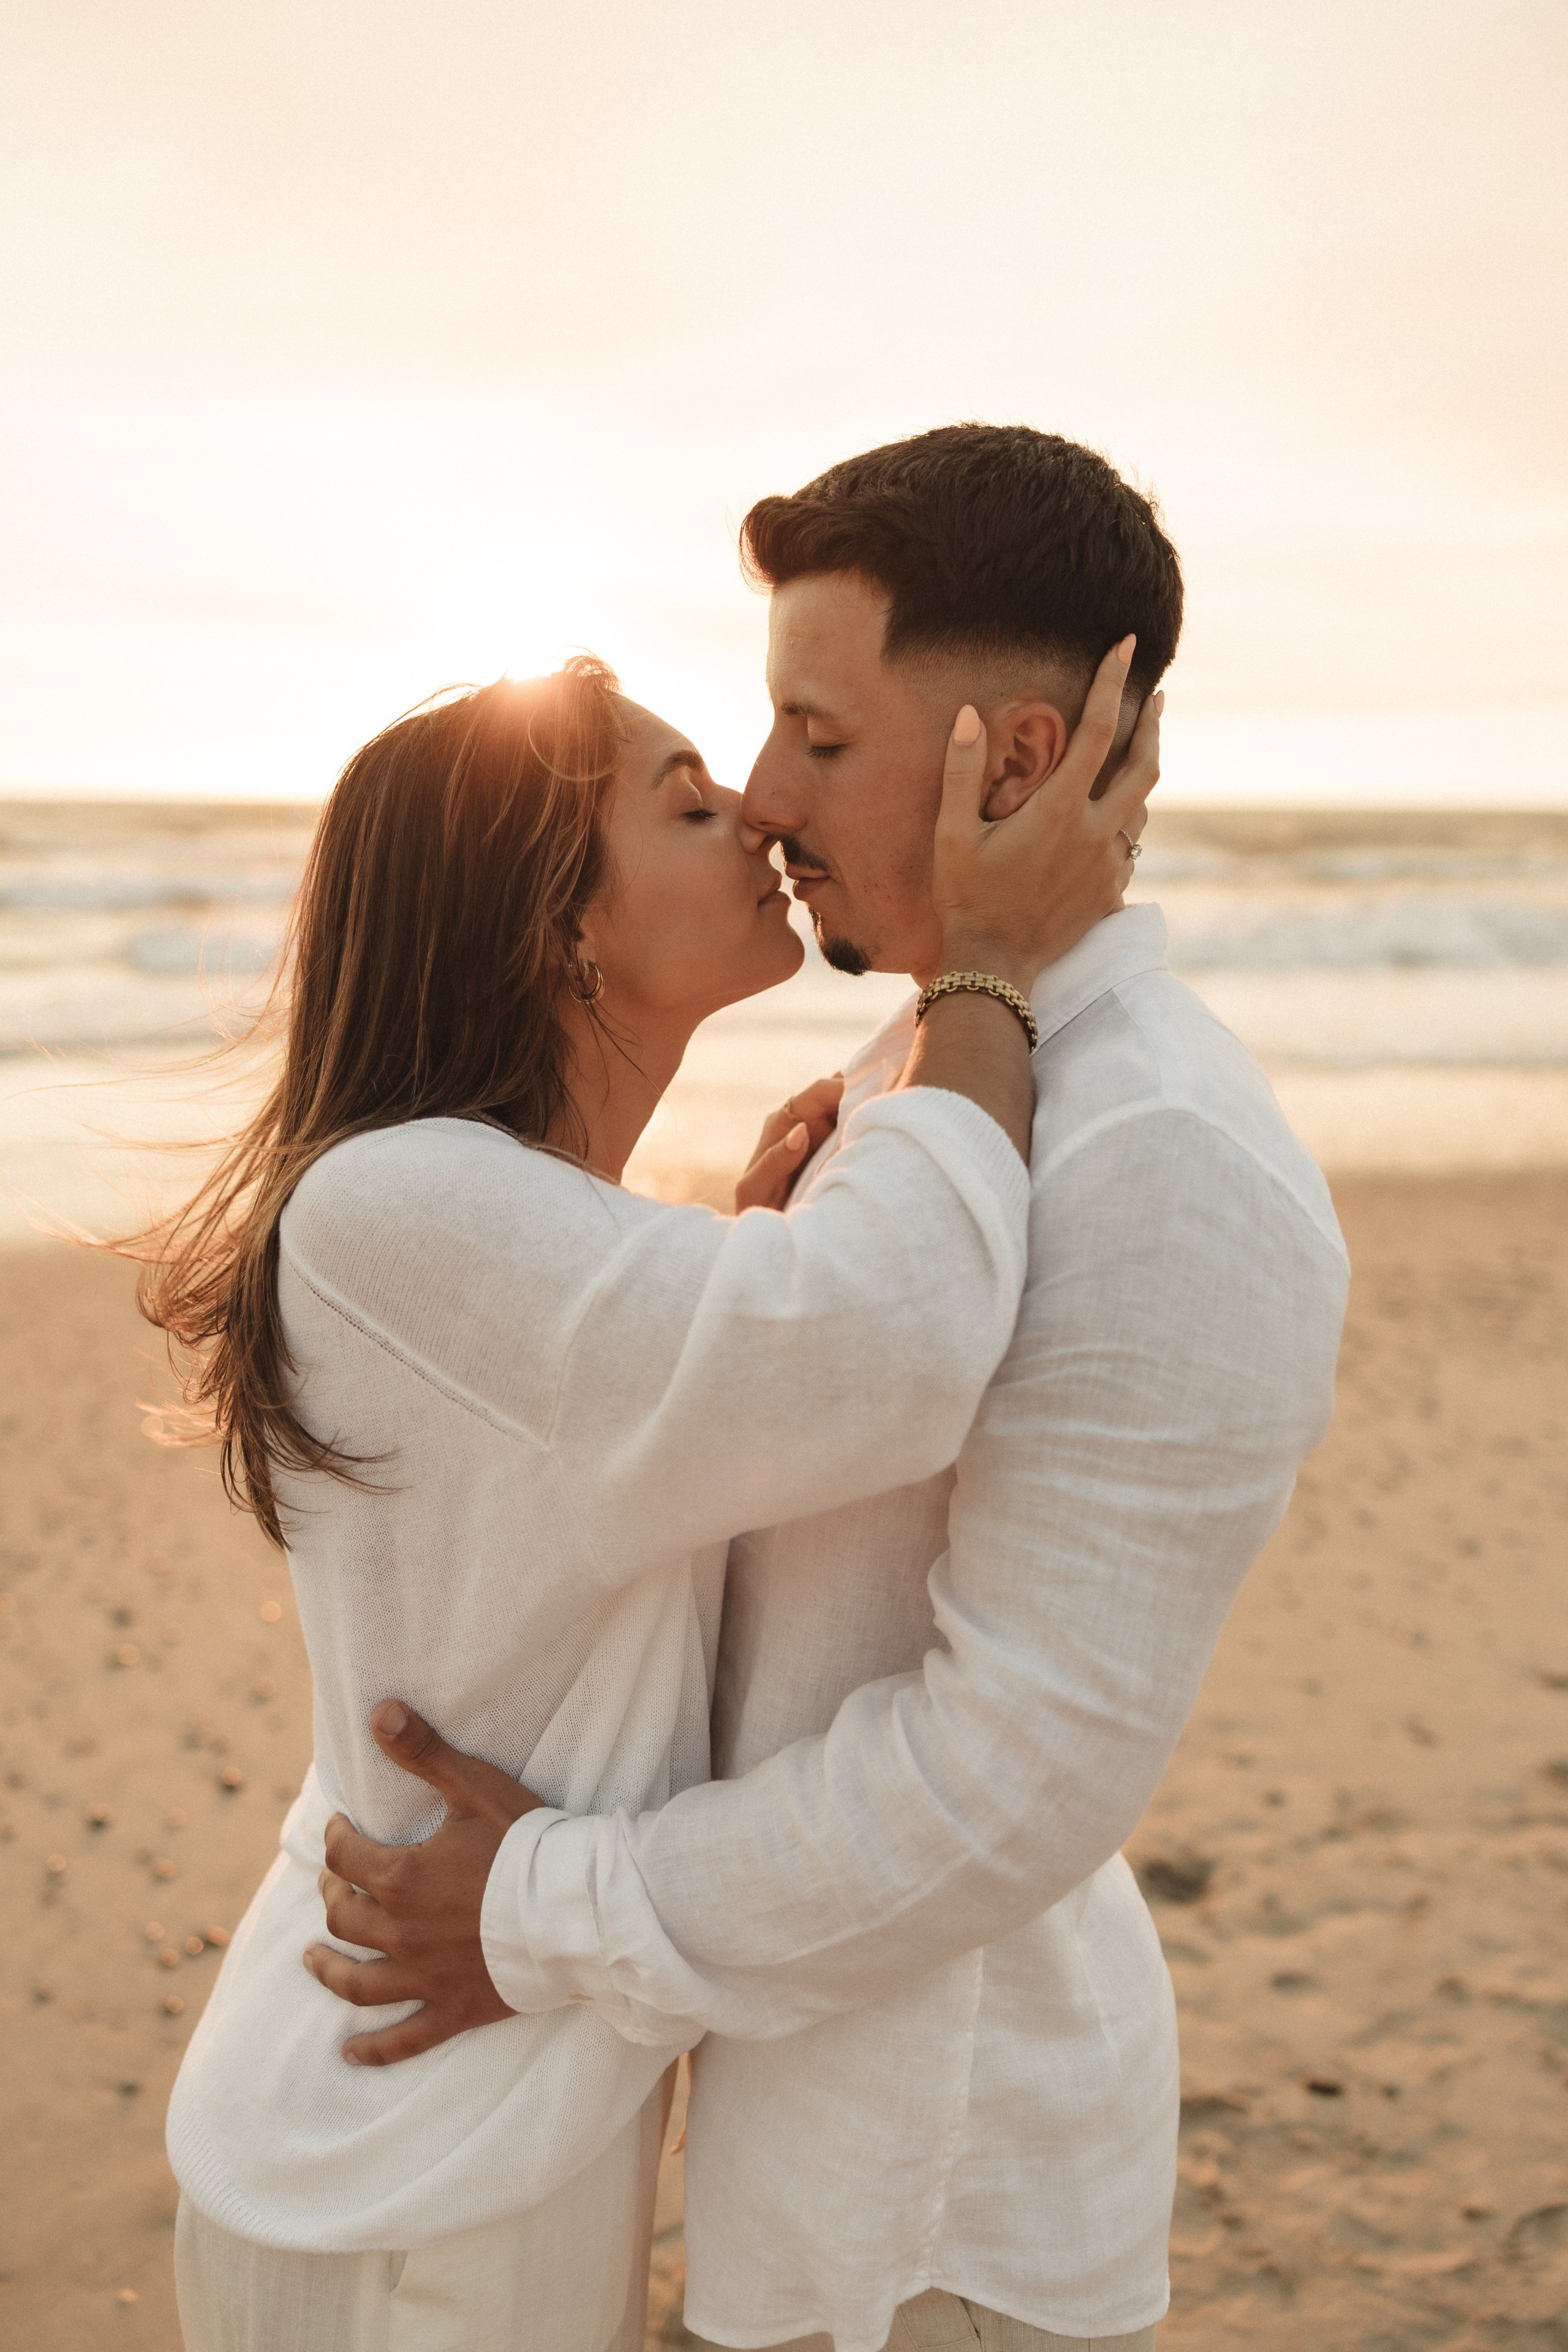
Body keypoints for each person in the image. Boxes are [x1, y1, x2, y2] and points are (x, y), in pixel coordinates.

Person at [309, 425, 1351, 2352]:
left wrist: (538, 1911)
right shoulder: (936, 1075)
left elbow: (1007, 1781)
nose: (766, 791)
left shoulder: (1163, 1160)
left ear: (1011, 766)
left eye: (822, 736)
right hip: (802, 2162)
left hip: (940, 2219)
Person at [146, 636, 1154, 2352]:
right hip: (403, 2163)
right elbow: (896, 1344)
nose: (762, 813)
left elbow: (713, 1415)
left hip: (482, 2116)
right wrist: (985, 968)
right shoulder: (399, 1205)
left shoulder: (519, 1236)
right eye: (688, 803)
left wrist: (746, 1260)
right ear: (562, 924)